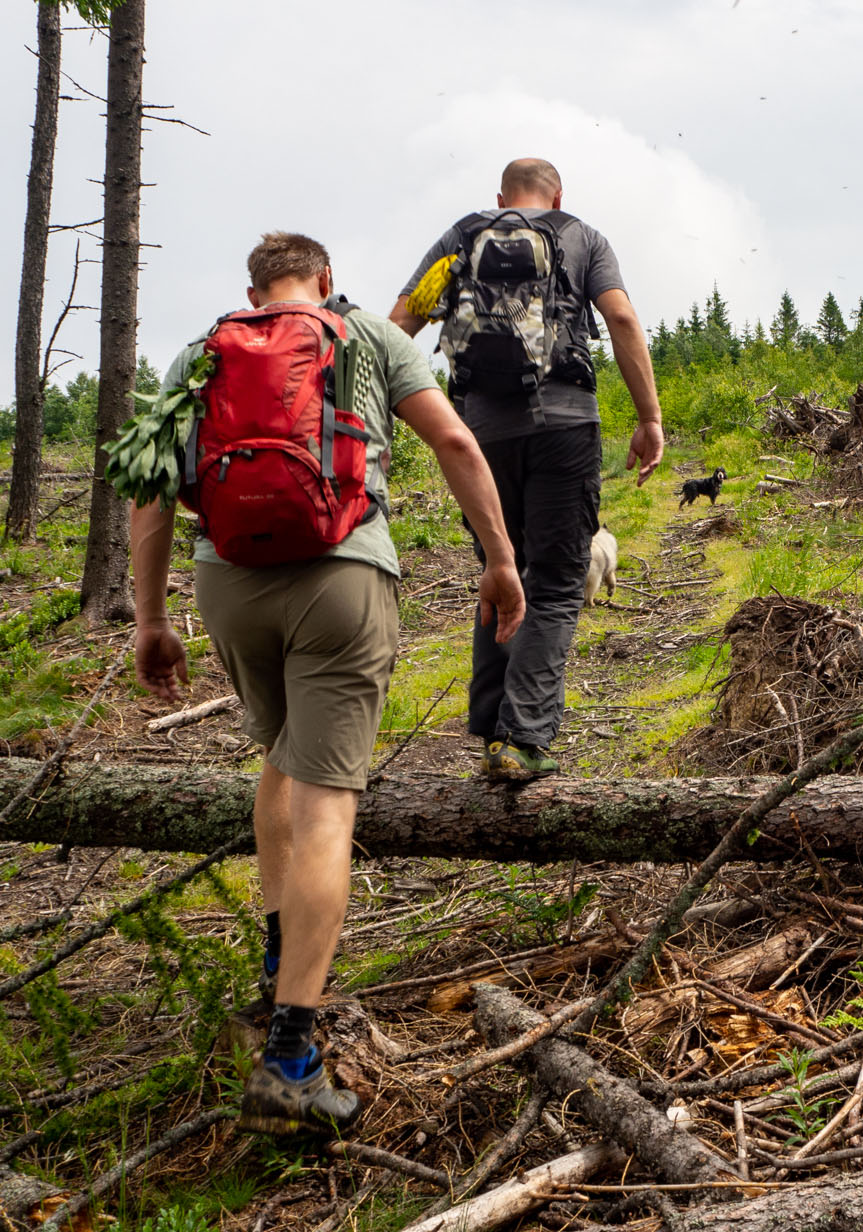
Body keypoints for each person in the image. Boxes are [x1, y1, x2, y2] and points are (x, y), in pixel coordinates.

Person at [132, 232, 526, 1135]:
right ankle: (293, 1058)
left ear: (253, 291)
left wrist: (152, 620)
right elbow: (457, 442)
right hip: (343, 576)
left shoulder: (203, 350)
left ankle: (278, 965)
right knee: (327, 803)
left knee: (282, 760)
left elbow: (150, 490)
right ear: (327, 280)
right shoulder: (367, 338)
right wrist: (499, 561)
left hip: (228, 582)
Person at [390, 158, 664, 779]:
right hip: (565, 425)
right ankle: (522, 739)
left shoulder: (462, 235)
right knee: (560, 580)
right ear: (558, 193)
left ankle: (492, 727)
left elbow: (401, 321)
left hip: (479, 433)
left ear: (500, 197)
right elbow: (620, 318)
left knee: (500, 565)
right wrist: (649, 418)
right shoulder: (581, 235)